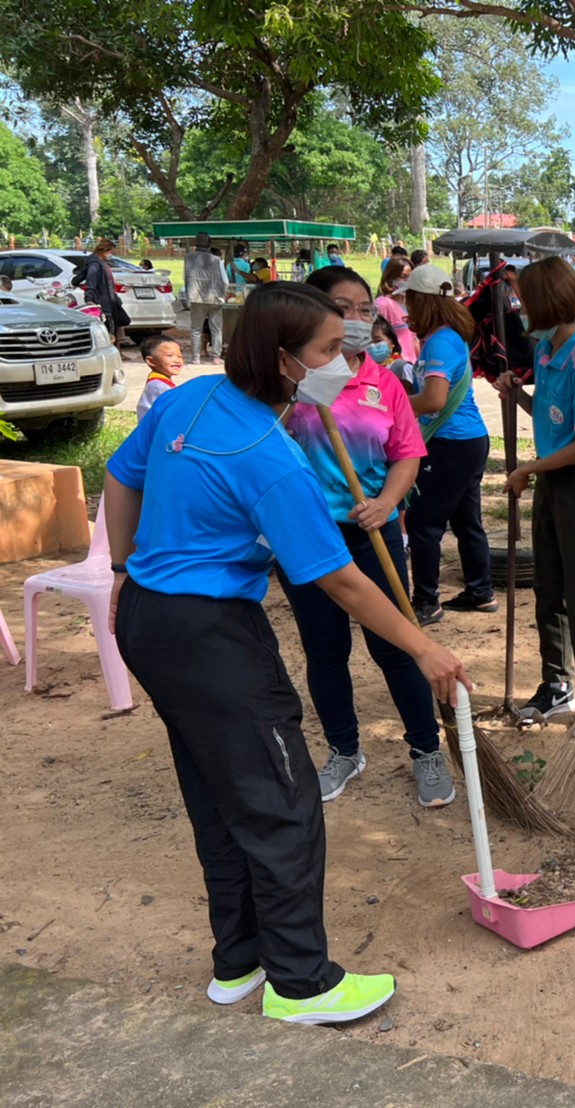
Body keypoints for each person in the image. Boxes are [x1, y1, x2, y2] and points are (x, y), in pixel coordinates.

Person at [104, 281, 467, 1024]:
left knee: (219, 792)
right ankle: (302, 983)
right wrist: (425, 647)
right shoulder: (271, 457)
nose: (343, 361)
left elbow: (119, 476)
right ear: (283, 363)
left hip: (149, 622)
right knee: (280, 799)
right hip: (211, 637)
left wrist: (121, 569)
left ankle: (238, 963)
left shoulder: (186, 400)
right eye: (329, 351)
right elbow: (340, 581)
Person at [281, 268, 452, 808]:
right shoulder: (289, 384)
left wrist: (385, 503)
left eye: (363, 310)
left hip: (370, 535)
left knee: (396, 647)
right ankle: (344, 751)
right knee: (324, 651)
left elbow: (407, 453)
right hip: (306, 540)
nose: (355, 321)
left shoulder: (384, 383)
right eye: (342, 308)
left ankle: (427, 751)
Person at [494, 258, 575, 720]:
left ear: (545, 305)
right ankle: (556, 684)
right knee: (548, 588)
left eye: (524, 300)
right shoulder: (545, 355)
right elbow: (550, 420)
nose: (518, 308)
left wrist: (529, 468)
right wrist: (516, 394)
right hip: (551, 479)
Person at [403, 264, 496, 625]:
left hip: (451, 443)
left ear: (421, 302)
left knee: (424, 522)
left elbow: (434, 400)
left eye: (409, 301)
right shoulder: (450, 336)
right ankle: (480, 590)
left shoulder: (440, 341)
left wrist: (392, 403)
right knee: (466, 520)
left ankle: (426, 602)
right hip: (469, 441)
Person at [182, 232, 228, 365]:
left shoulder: (188, 259)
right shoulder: (216, 260)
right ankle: (216, 357)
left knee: (196, 328)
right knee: (216, 328)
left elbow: (184, 278)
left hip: (195, 297)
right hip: (215, 298)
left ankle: (196, 357)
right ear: (209, 244)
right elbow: (225, 281)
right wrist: (221, 293)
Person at [376, 257, 420, 363]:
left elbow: (414, 339)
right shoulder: (382, 305)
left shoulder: (411, 304)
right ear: (390, 277)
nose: (407, 281)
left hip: (412, 365)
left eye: (410, 277)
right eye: (402, 277)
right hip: (394, 365)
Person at [83, 238, 126, 343]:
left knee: (116, 325)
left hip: (111, 300)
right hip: (103, 302)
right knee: (109, 330)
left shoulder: (101, 263)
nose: (111, 255)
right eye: (111, 252)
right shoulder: (95, 264)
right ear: (104, 251)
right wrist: (89, 299)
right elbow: (91, 282)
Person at [136, 335, 184, 418]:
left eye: (179, 356)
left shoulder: (158, 382)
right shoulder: (159, 387)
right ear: (151, 361)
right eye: (169, 355)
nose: (177, 360)